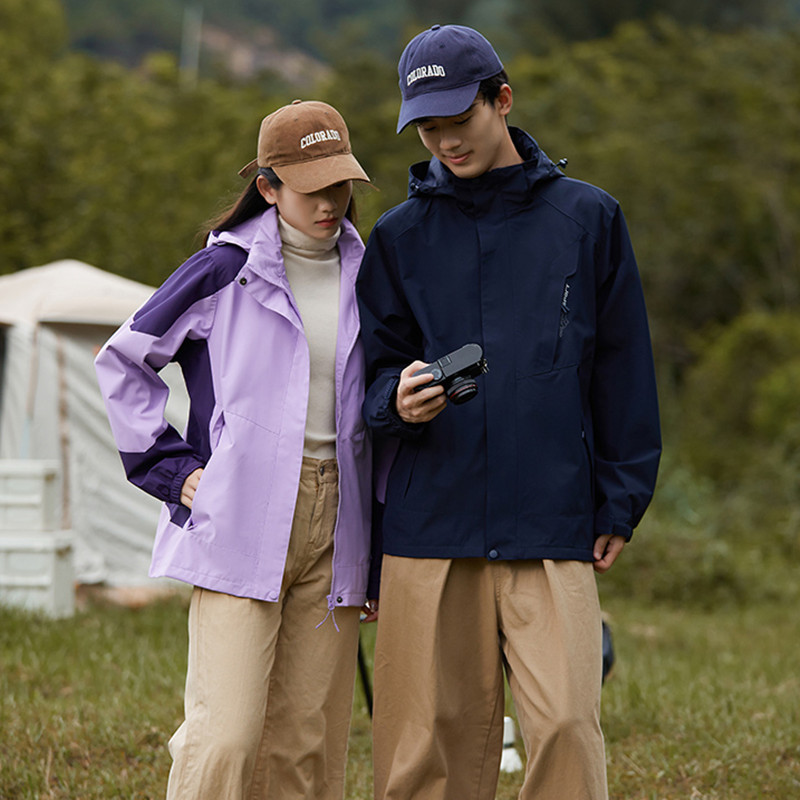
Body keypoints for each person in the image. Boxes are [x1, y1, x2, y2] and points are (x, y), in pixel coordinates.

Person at [356, 25, 661, 800]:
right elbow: (367, 379)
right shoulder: (396, 238)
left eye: (460, 119)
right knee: (430, 749)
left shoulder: (589, 220)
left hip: (550, 517)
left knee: (564, 725)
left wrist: (620, 500)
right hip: (432, 528)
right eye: (428, 126)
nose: (444, 141)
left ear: (503, 99)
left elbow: (624, 370)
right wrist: (396, 399)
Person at [95, 99, 378, 800]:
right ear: (269, 185)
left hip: (339, 524)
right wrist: (173, 470)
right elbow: (123, 360)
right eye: (312, 190)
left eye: (340, 186)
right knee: (226, 735)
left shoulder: (371, 277)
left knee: (305, 745)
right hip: (239, 514)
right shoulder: (221, 270)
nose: (330, 204)